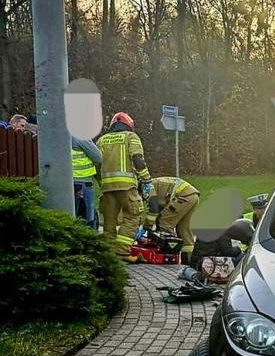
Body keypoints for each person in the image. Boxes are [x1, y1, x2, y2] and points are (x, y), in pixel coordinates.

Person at [96, 112, 151, 258]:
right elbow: (137, 159)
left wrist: (101, 182)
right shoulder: (131, 137)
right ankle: (122, 250)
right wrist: (146, 179)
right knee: (133, 216)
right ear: (129, 125)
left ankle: (108, 252)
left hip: (107, 188)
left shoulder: (101, 140)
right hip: (126, 187)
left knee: (109, 222)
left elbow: (96, 165)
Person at [147, 176, 200, 264]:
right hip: (193, 196)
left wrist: (147, 226)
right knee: (184, 229)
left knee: (164, 223)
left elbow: (153, 210)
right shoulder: (155, 184)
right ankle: (189, 260)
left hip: (182, 196)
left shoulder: (147, 188)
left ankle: (169, 255)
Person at [71, 135, 102, 228]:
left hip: (68, 180)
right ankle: (89, 232)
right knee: (88, 213)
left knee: (73, 212)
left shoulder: (61, 137)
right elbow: (98, 157)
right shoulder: (80, 137)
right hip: (82, 180)